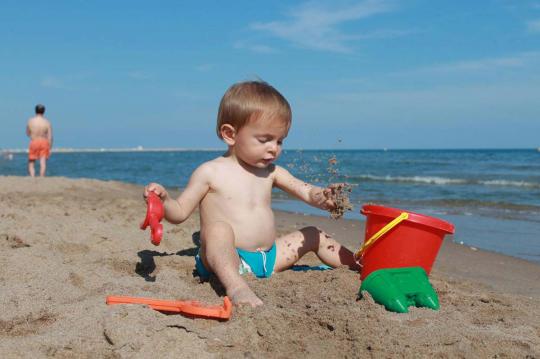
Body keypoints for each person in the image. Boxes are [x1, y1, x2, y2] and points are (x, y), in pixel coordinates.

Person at [144, 81, 360, 307]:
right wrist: (164, 200)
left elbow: (304, 191)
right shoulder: (210, 172)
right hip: (228, 260)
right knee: (217, 230)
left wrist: (322, 197)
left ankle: (358, 266)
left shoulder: (272, 172)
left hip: (269, 257)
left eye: (280, 141)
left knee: (314, 234)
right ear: (230, 134)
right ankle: (237, 287)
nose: (274, 148)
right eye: (264, 139)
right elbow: (179, 213)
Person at [26, 104, 53, 177]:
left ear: (35, 111)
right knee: (43, 161)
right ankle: (41, 177)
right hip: (44, 141)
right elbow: (50, 136)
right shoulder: (47, 122)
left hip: (34, 141)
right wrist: (50, 146)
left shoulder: (30, 121)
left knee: (31, 162)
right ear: (44, 111)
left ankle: (32, 177)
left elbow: (27, 133)